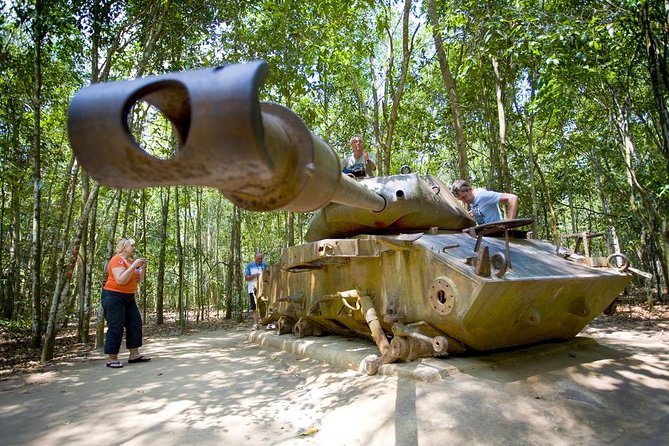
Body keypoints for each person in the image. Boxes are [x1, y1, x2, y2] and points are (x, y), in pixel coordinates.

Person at [101, 237, 150, 369]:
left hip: (129, 297)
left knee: (135, 323)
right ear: (124, 247)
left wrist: (142, 268)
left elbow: (139, 280)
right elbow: (120, 280)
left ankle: (134, 355)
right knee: (116, 325)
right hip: (113, 296)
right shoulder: (117, 260)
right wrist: (134, 266)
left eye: (134, 246)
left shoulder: (130, 261)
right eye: (132, 245)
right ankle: (112, 358)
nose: (134, 248)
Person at [450, 179, 518, 225]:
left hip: (498, 234)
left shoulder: (483, 195)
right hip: (486, 234)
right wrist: (475, 213)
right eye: (461, 199)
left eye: (464, 197)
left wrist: (509, 222)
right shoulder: (472, 200)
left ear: (469, 190)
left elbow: (512, 198)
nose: (464, 201)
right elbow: (483, 207)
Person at [244, 252, 267, 331]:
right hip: (252, 289)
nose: (260, 260)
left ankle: (266, 323)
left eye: (261, 258)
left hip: (264, 289)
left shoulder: (264, 265)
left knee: (265, 306)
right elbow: (246, 278)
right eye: (258, 258)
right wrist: (255, 275)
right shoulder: (250, 266)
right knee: (254, 307)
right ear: (255, 258)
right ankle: (255, 324)